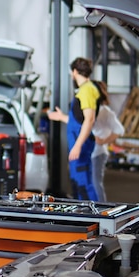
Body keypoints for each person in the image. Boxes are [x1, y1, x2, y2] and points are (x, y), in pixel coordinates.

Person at [47, 57, 101, 201]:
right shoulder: (85, 90)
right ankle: (84, 217)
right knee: (77, 182)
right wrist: (62, 117)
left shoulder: (87, 90)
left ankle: (96, 217)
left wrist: (77, 146)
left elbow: (89, 119)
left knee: (83, 184)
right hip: (78, 140)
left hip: (80, 142)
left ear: (75, 71)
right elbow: (79, 120)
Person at [90, 80, 124, 202]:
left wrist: (104, 140)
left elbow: (119, 130)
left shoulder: (105, 111)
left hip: (98, 153)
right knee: (90, 184)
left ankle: (102, 211)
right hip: (90, 152)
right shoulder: (90, 109)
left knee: (95, 183)